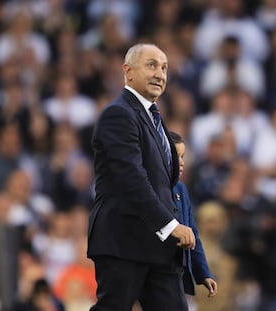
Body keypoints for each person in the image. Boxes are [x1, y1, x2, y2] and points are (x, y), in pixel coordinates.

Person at [87, 43, 196, 311]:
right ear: (128, 71)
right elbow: (131, 178)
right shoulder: (118, 114)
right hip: (123, 240)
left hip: (159, 246)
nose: (160, 73)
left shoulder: (155, 120)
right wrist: (170, 225)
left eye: (165, 68)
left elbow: (167, 188)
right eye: (151, 65)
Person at [169, 131, 217, 297]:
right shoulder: (151, 188)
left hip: (175, 270)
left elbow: (193, 234)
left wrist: (203, 273)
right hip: (152, 267)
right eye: (176, 156)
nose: (181, 162)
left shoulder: (181, 189)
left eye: (183, 156)